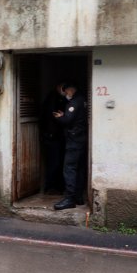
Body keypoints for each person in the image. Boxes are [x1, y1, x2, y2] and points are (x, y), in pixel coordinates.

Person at [52, 82, 88, 210]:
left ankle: (69, 199)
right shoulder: (83, 99)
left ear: (71, 89)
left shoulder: (74, 102)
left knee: (69, 168)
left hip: (74, 139)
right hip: (81, 138)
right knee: (79, 168)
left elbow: (68, 120)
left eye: (65, 92)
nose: (65, 94)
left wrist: (60, 117)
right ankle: (78, 197)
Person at [40, 82, 66, 194]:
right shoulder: (53, 99)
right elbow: (52, 117)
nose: (66, 92)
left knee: (56, 162)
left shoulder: (56, 98)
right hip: (52, 136)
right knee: (54, 162)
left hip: (54, 136)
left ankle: (55, 186)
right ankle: (50, 187)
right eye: (64, 89)